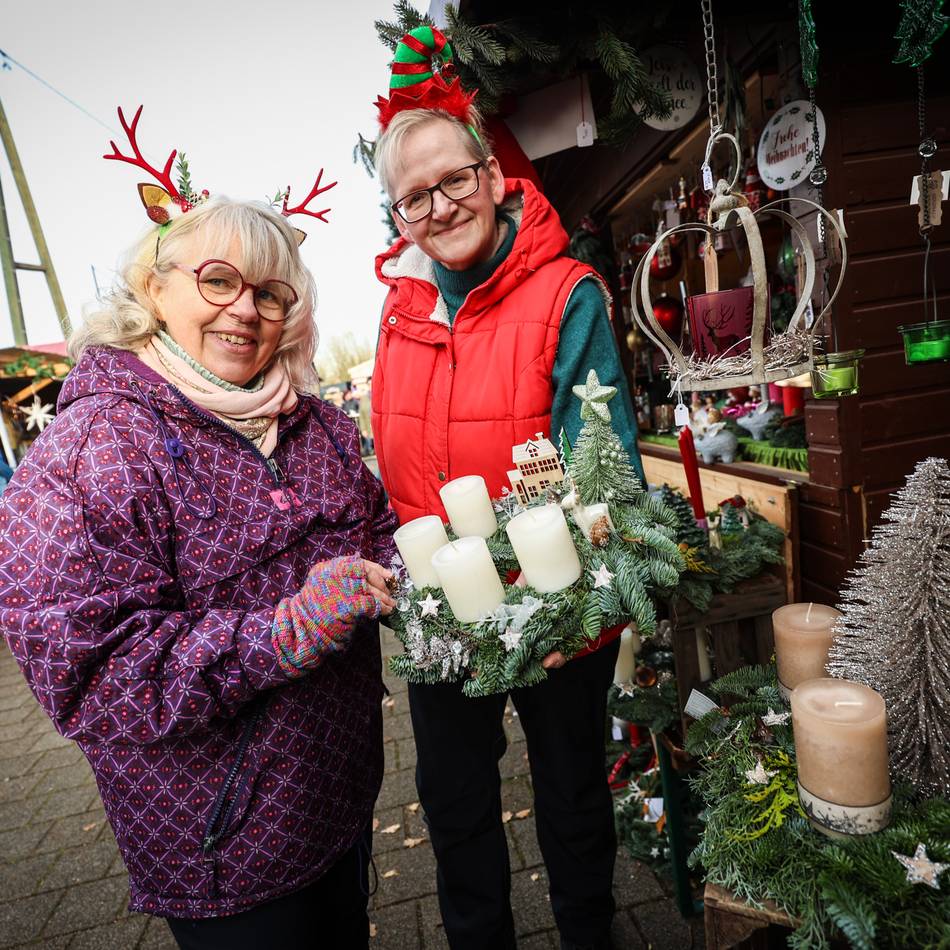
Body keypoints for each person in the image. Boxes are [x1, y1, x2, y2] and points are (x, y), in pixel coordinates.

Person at [0, 120, 398, 950]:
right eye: (219, 281)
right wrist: (282, 633)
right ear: (155, 285)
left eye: (269, 293)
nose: (245, 311)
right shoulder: (92, 447)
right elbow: (91, 673)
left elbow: (376, 529)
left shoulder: (312, 422)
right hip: (225, 850)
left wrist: (434, 571)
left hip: (338, 802)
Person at [369, 28, 642, 950]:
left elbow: (607, 467)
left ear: (491, 175)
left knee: (570, 796)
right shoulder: (400, 312)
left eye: (454, 180)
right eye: (415, 196)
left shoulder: (569, 293)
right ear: (398, 217)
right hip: (445, 607)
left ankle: (588, 936)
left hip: (556, 600)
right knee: (455, 804)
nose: (441, 206)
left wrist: (574, 604)